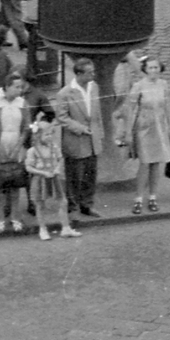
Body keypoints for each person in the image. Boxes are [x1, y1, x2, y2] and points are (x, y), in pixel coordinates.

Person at [117, 56, 170, 215]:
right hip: (144, 128)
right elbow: (129, 109)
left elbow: (166, 106)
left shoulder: (164, 84)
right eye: (150, 68)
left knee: (156, 163)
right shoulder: (139, 86)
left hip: (159, 127)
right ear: (145, 70)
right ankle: (138, 199)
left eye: (156, 68)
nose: (153, 71)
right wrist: (128, 131)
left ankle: (153, 197)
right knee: (144, 164)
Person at [0, 71, 30, 234]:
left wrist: (19, 146)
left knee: (15, 183)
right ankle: (0, 218)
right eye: (16, 87)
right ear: (7, 87)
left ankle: (15, 217)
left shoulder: (23, 103)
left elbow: (26, 128)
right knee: (0, 183)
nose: (20, 90)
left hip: (16, 144)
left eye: (21, 87)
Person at [26, 104, 79, 241]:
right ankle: (42, 229)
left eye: (51, 134)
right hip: (40, 179)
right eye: (46, 134)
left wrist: (57, 169)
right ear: (38, 136)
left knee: (63, 201)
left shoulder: (54, 147)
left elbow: (60, 159)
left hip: (54, 177)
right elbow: (29, 167)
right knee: (40, 203)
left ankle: (65, 227)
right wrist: (42, 173)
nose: (49, 137)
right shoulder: (33, 151)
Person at [55, 58, 100, 219]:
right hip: (75, 140)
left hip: (92, 140)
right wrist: (80, 128)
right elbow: (62, 117)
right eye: (90, 72)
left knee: (90, 174)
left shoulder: (94, 88)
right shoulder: (65, 93)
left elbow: (97, 114)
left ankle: (87, 204)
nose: (93, 75)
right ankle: (73, 207)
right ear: (79, 74)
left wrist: (98, 133)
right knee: (74, 176)